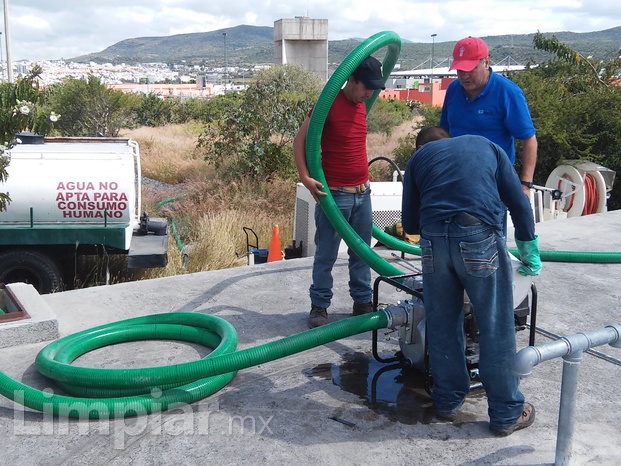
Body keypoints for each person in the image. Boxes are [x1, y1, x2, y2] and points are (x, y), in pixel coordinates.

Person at [401, 126, 542, 436]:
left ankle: (446, 402)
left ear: (422, 146)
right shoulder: (486, 145)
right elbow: (518, 202)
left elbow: (410, 222)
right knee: (495, 324)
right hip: (479, 236)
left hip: (434, 242)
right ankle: (506, 413)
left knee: (441, 323)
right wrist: (528, 244)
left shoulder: (417, 160)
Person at [293, 56, 385, 328]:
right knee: (326, 254)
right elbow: (300, 141)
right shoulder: (328, 104)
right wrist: (305, 178)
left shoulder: (361, 104)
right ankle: (320, 306)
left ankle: (362, 301)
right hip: (335, 195)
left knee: (362, 252)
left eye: (373, 88)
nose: (370, 93)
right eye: (366, 87)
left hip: (363, 193)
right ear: (351, 80)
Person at [440, 36, 538, 196]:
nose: (464, 76)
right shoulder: (453, 89)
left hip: (494, 183)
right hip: (456, 179)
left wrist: (525, 184)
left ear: (486, 62)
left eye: (470, 69)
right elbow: (442, 133)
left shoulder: (507, 92)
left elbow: (529, 139)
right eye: (460, 70)